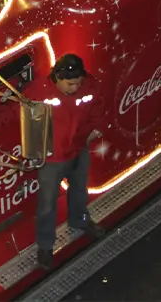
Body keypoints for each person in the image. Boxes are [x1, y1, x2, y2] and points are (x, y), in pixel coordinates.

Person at [35, 54, 106, 269]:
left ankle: (80, 220)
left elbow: (98, 109)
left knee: (79, 191)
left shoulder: (90, 87)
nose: (75, 88)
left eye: (78, 83)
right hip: (52, 158)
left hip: (78, 150)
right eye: (70, 84)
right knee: (47, 204)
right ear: (57, 77)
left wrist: (94, 130)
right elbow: (14, 106)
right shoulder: (40, 91)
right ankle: (46, 245)